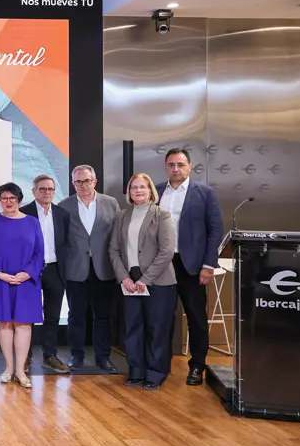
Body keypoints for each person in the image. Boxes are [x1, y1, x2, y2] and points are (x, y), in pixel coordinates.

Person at [156, 148, 223, 386]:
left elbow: (215, 230)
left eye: (180, 165)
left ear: (190, 166)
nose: (176, 169)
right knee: (161, 316)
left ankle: (197, 366)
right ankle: (159, 364)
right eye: (171, 165)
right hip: (162, 264)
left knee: (196, 317)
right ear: (166, 167)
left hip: (192, 265)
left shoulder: (205, 193)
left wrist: (208, 265)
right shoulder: (157, 190)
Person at [110, 173, 177, 390]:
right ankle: (136, 371)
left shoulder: (161, 215)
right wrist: (124, 277)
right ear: (129, 192)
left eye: (142, 187)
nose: (138, 190)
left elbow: (166, 251)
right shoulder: (121, 216)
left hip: (159, 282)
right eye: (134, 187)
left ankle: (155, 373)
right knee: (133, 328)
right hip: (130, 282)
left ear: (150, 191)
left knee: (157, 329)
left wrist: (146, 280)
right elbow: (114, 250)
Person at [57, 165, 120, 372]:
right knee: (76, 316)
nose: (83, 185)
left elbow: (117, 235)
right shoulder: (64, 206)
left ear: (95, 181)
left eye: (86, 181)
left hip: (104, 268)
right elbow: (60, 240)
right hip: (76, 269)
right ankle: (77, 356)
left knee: (103, 316)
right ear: (73, 183)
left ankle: (103, 357)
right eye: (78, 182)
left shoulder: (111, 203)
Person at [0, 183, 44, 388]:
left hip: (26, 282)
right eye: (4, 198)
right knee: (5, 323)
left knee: (24, 325)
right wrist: (0, 274)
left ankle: (20, 370)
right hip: (0, 280)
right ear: (0, 200)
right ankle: (8, 368)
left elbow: (39, 254)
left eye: (12, 198)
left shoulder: (33, 222)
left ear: (19, 199)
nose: (8, 202)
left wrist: (26, 274)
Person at [20, 174, 71, 374]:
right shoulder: (23, 213)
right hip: (30, 271)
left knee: (53, 315)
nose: (47, 192)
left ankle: (49, 356)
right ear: (34, 192)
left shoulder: (62, 214)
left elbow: (66, 244)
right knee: (28, 316)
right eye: (42, 189)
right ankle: (25, 357)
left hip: (55, 270)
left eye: (50, 189)